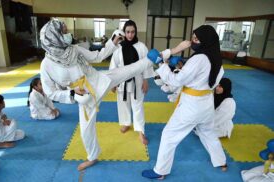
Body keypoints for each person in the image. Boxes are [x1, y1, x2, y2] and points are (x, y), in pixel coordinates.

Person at [39, 19, 153, 171]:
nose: (68, 35)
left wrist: (112, 42)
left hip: (98, 81)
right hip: (84, 96)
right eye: (64, 32)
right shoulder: (47, 65)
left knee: (129, 70)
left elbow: (97, 57)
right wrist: (71, 93)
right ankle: (92, 157)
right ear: (54, 36)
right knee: (86, 130)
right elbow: (50, 91)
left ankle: (158, 56)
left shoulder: (74, 49)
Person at [142, 25, 227, 179]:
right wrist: (181, 66)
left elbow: (176, 81)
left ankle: (160, 171)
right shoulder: (216, 58)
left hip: (192, 106)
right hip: (207, 104)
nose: (192, 41)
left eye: (196, 39)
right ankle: (221, 161)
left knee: (169, 135)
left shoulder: (198, 58)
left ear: (205, 41)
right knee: (208, 132)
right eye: (192, 37)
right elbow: (204, 79)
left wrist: (161, 63)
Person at [109, 20, 154, 145]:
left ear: (135, 32)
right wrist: (113, 82)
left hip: (137, 81)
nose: (130, 35)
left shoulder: (141, 47)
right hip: (122, 81)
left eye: (132, 32)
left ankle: (141, 132)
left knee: (138, 106)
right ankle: (126, 123)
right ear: (124, 32)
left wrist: (146, 80)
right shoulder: (118, 47)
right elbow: (114, 65)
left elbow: (147, 64)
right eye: (128, 32)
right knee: (123, 104)